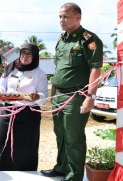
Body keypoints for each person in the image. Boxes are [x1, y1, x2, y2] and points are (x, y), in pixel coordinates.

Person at [40, 3, 103, 181]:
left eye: (66, 17)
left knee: (73, 136)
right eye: (60, 17)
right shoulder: (62, 40)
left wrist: (90, 97)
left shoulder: (88, 39)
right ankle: (61, 168)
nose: (62, 20)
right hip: (59, 94)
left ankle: (74, 176)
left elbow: (95, 69)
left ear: (78, 17)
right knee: (60, 133)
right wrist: (53, 95)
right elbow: (59, 69)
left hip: (77, 96)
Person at [0, 43, 48, 171]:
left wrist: (37, 96)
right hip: (8, 113)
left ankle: (26, 174)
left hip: (28, 115)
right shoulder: (10, 69)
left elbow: (44, 94)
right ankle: (0, 174)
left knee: (26, 147)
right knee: (3, 144)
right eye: (23, 53)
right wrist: (1, 92)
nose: (25, 56)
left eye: (29, 54)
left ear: (35, 56)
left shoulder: (40, 74)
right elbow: (1, 85)